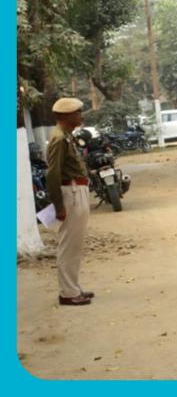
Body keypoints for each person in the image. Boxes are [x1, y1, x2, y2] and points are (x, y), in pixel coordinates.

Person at [45, 97, 93, 306]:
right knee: (69, 245)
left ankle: (72, 287)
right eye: (77, 112)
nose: (80, 116)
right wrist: (58, 205)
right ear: (66, 116)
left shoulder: (66, 136)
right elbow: (53, 173)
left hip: (77, 189)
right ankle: (68, 292)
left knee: (75, 244)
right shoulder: (58, 138)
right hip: (70, 192)